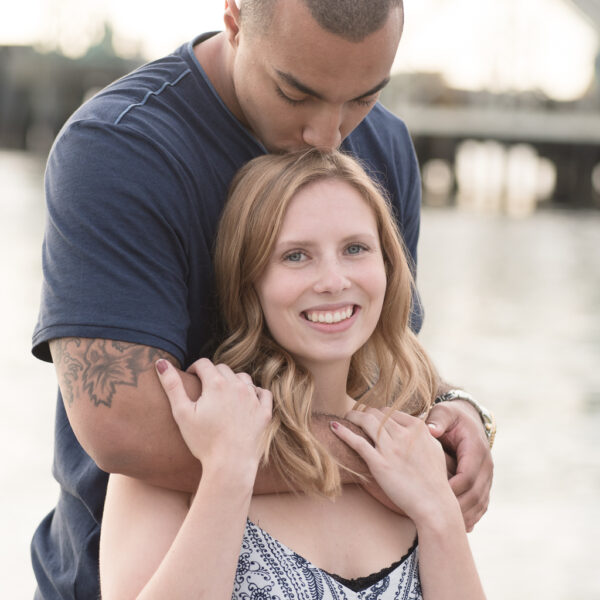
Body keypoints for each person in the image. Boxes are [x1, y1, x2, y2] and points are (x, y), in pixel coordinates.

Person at [31, 1, 494, 598]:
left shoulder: (385, 146)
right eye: (297, 94)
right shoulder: (121, 149)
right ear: (234, 15)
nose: (330, 137)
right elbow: (125, 426)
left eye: (364, 97)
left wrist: (450, 415)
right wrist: (385, 458)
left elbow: (382, 356)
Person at [99, 149, 487, 599]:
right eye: (296, 256)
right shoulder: (184, 449)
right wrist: (227, 474)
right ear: (249, 281)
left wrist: (439, 514)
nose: (333, 280)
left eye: (355, 249)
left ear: (388, 266)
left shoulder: (410, 453)